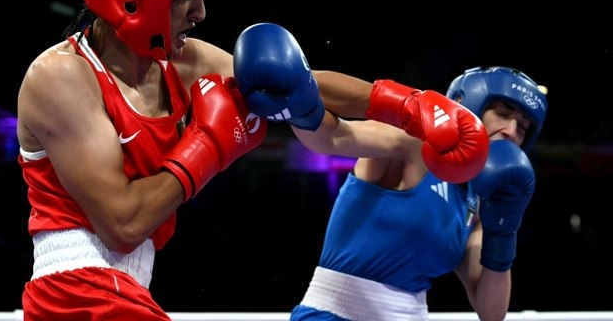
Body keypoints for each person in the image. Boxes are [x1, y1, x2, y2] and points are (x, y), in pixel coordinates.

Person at [15, 0, 271, 319]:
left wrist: (397, 104)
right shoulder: (61, 75)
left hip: (122, 293)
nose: (200, 12)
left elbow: (286, 82)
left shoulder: (181, 63)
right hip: (78, 294)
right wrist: (207, 145)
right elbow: (123, 225)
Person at [232, 24, 548, 321]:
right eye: (502, 114)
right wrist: (297, 97)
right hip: (335, 313)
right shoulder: (413, 145)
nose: (510, 131)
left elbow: (490, 312)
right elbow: (334, 136)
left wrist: (506, 227)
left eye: (522, 127)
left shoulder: (479, 208)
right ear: (470, 105)